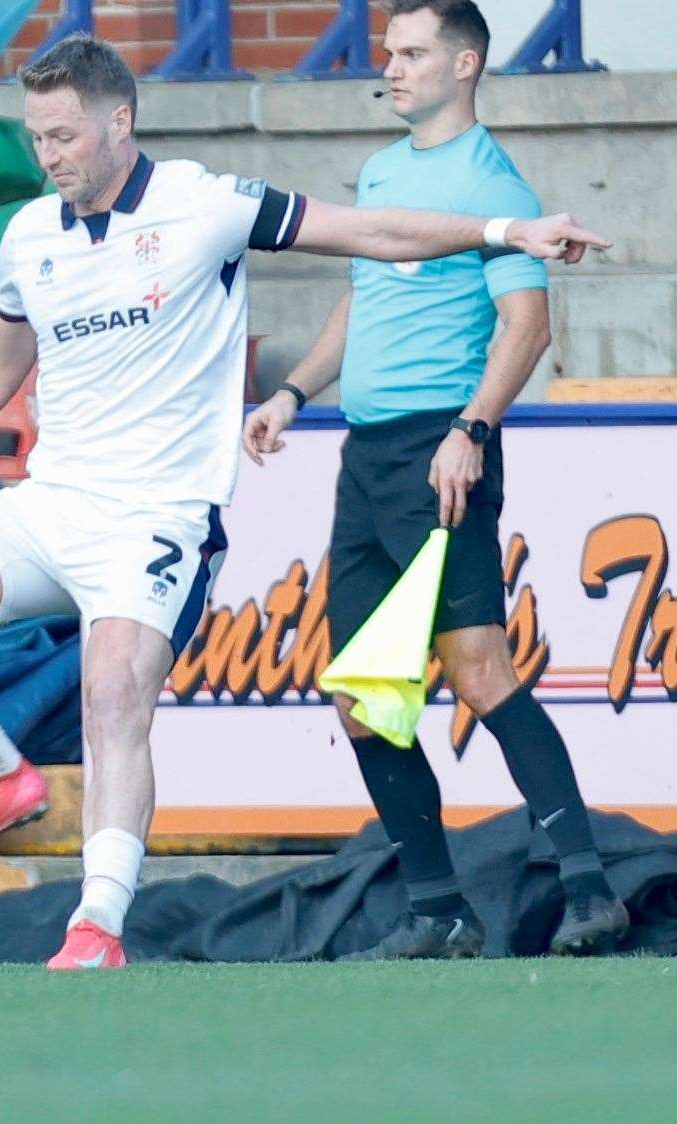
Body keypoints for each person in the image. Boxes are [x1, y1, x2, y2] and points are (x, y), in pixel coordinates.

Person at [0, 32, 606, 970]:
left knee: (122, 686)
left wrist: (503, 237)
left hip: (169, 515)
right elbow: (1, 361)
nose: (49, 156)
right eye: (37, 138)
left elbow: (373, 236)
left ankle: (98, 928)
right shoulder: (30, 233)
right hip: (60, 504)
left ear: (120, 122)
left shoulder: (206, 204)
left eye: (64, 136)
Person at [243, 0, 628, 959]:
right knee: (364, 697)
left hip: (439, 455)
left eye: (412, 54)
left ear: (465, 66)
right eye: (388, 51)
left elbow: (528, 325)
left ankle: (589, 888)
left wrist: (471, 429)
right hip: (366, 456)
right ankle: (435, 909)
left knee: (477, 669)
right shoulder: (381, 171)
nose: (392, 68)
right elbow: (361, 297)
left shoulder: (493, 178)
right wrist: (292, 392)